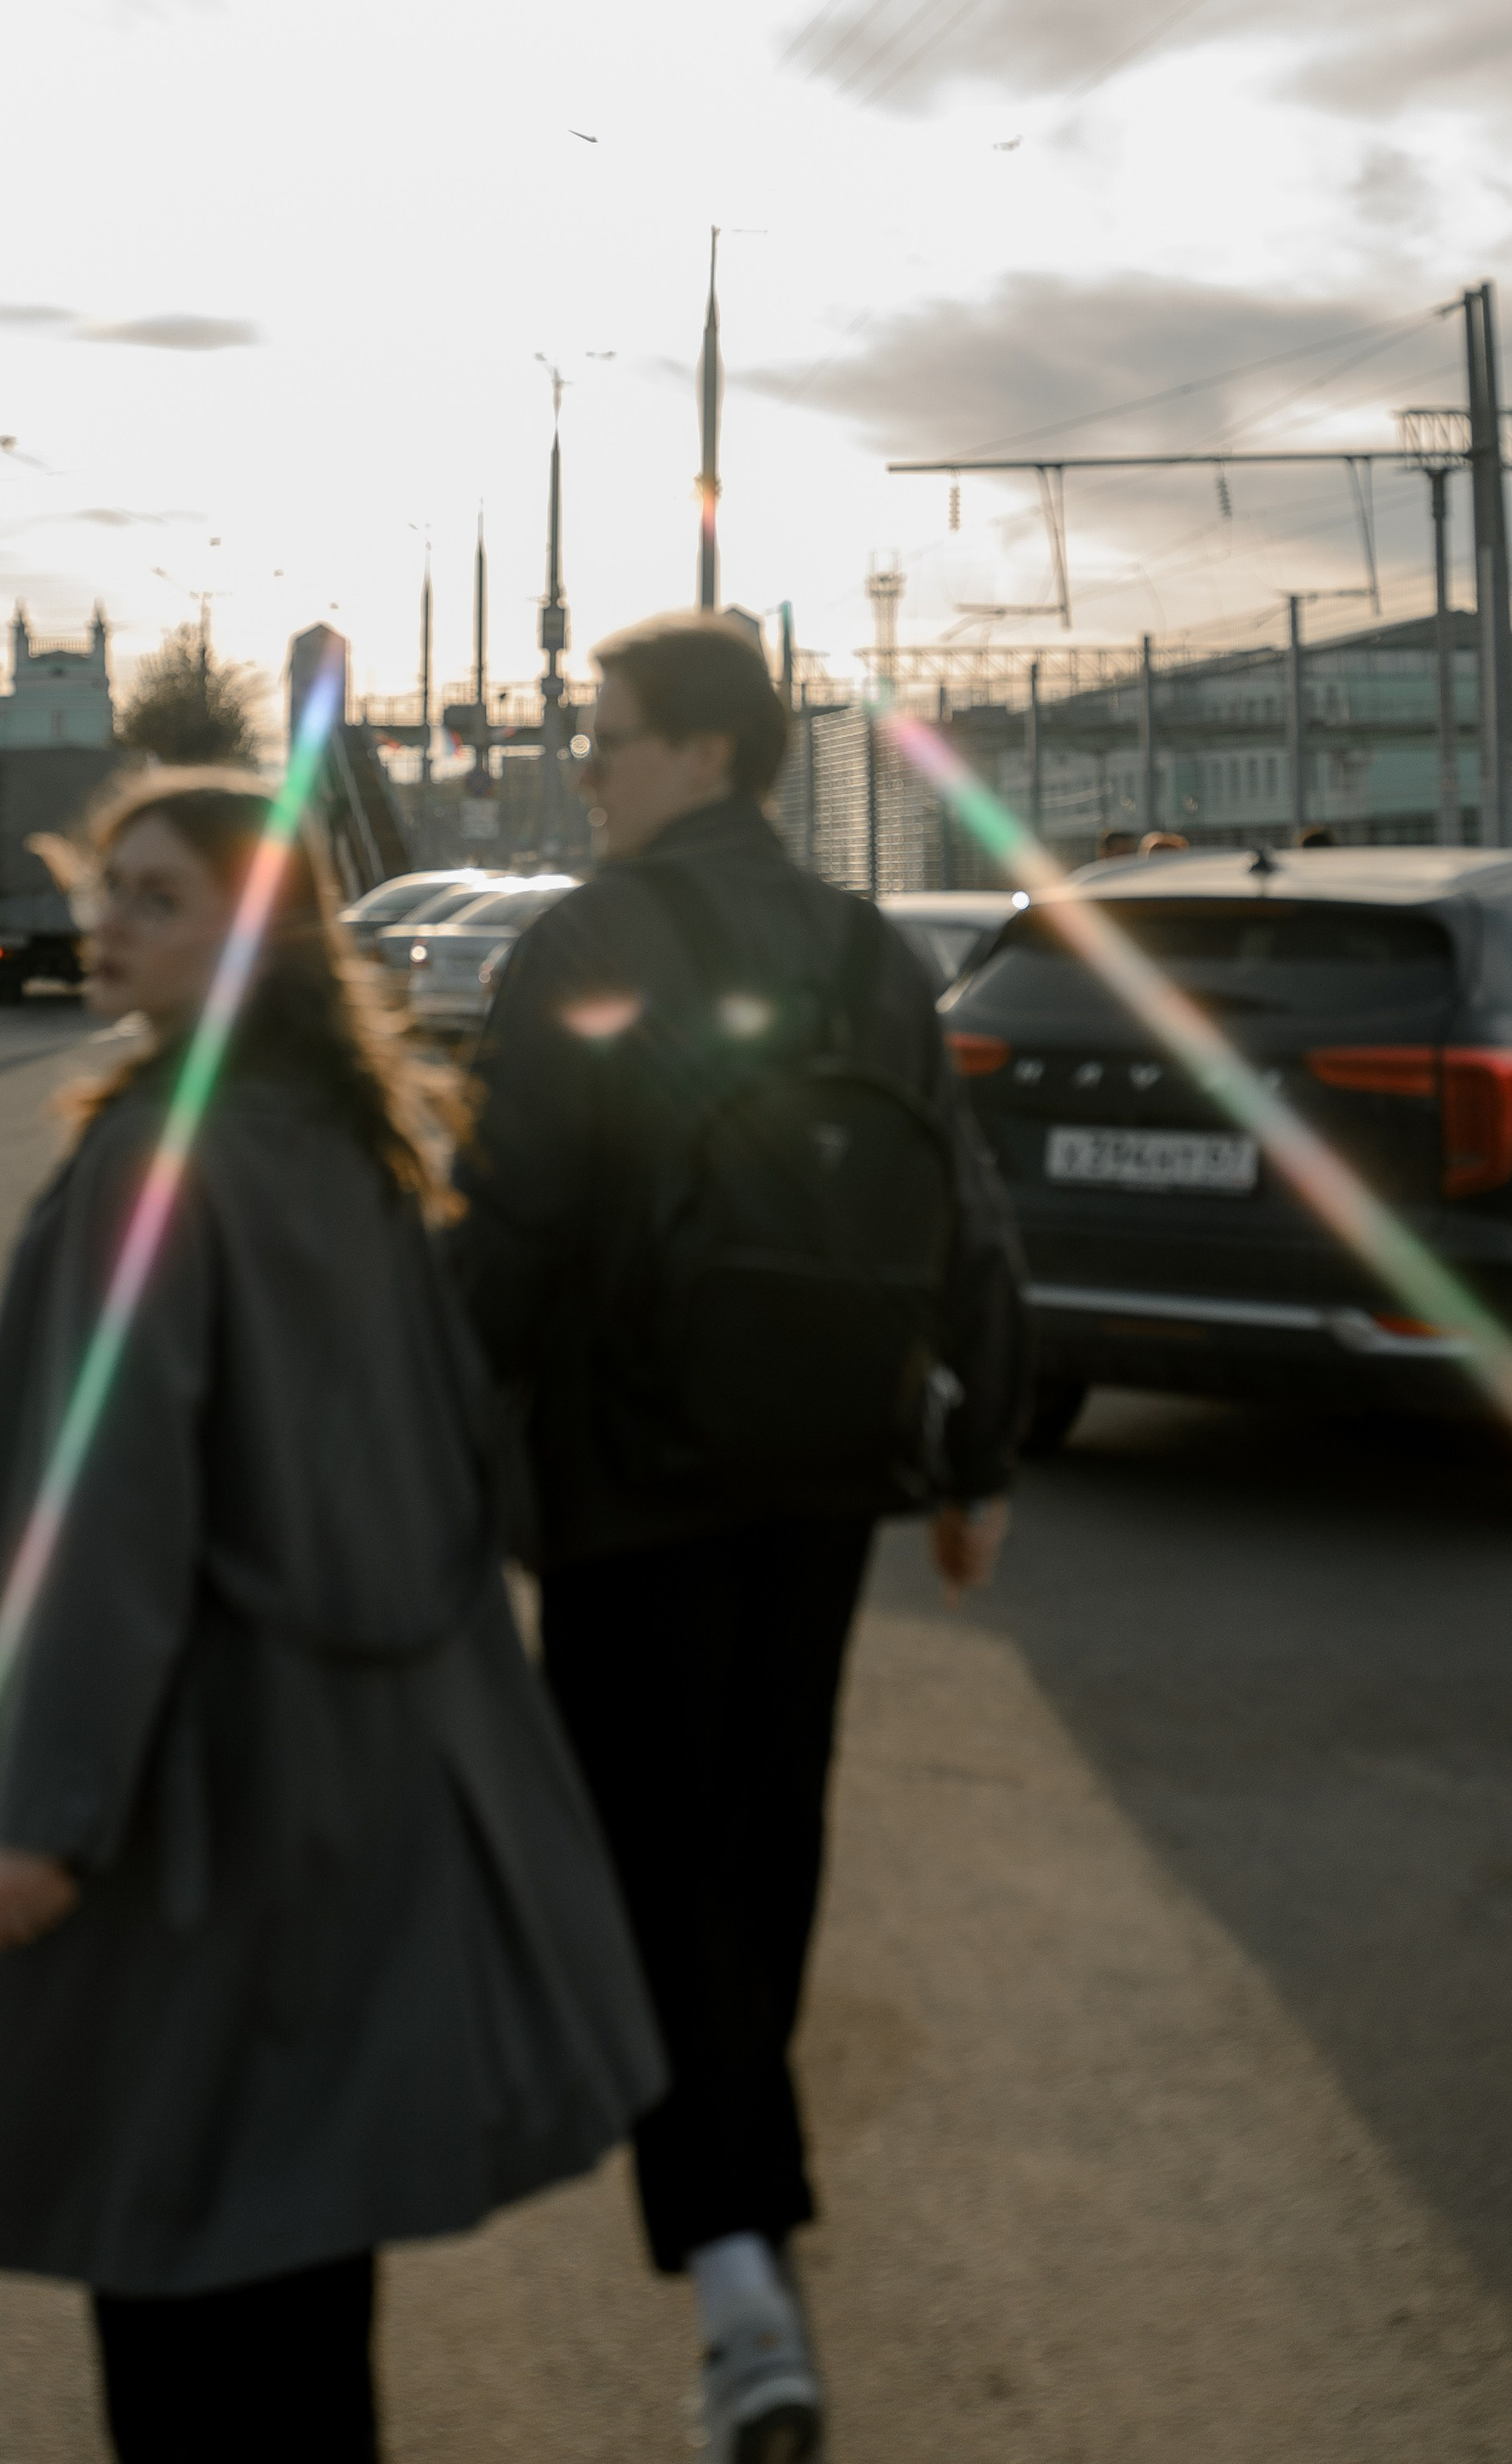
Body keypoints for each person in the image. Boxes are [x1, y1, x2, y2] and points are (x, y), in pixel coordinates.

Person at [0, 771, 661, 2463]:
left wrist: (44, 1813)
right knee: (309, 2266)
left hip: (189, 1793)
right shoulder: (354, 1139)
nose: (105, 923)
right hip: (356, 1771)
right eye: (108, 888)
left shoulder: (151, 1161)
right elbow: (448, 1454)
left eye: (155, 898)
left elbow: (106, 1509)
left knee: (168, 2256)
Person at [454, 615, 1027, 2464]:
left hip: (634, 1481)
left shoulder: (585, 942)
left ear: (703, 749)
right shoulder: (867, 949)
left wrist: (402, 1429)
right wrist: (975, 1462)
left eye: (606, 737)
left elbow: (511, 1234)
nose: (586, 764)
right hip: (820, 1475)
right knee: (762, 1841)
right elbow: (961, 1209)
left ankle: (736, 2274)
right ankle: (740, 2249)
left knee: (649, 1861)